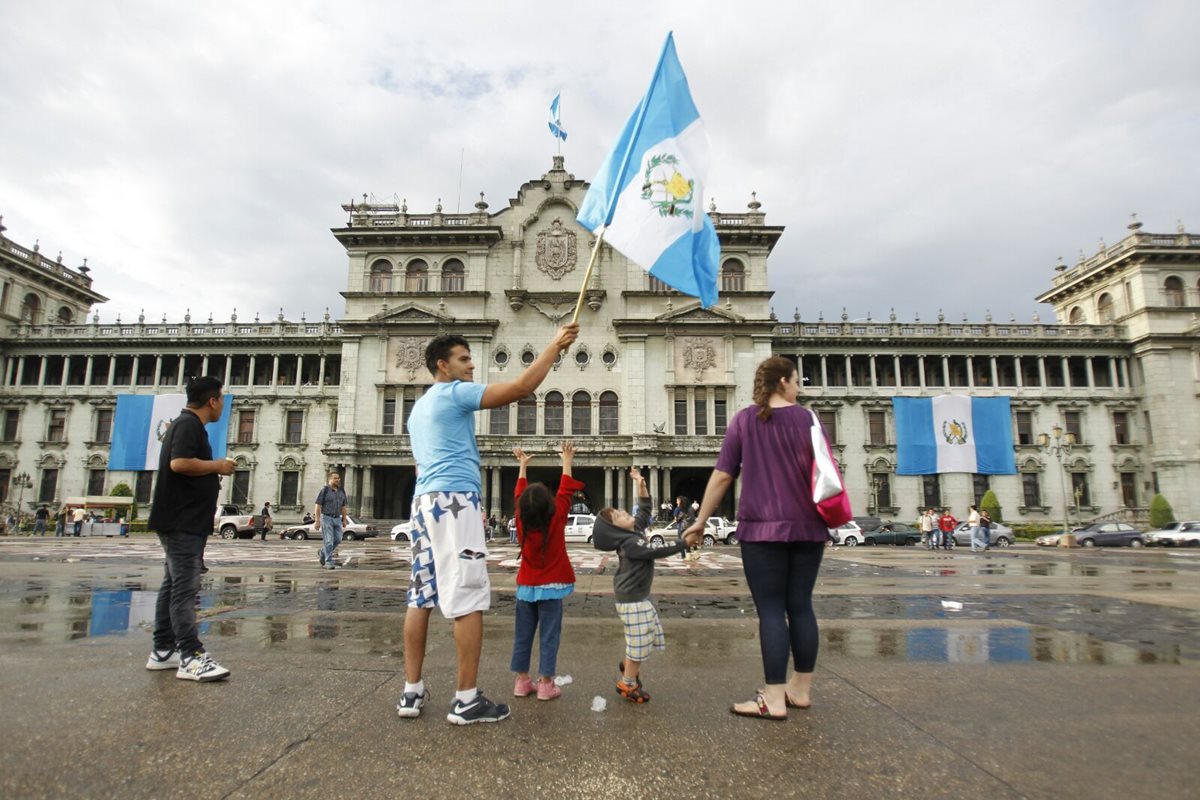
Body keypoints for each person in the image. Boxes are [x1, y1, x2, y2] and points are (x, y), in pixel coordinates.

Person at [397, 323, 578, 726]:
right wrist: (554, 346)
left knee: (420, 595)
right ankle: (465, 699)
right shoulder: (453, 392)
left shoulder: (418, 409)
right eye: (463, 359)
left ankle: (412, 691)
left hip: (424, 501)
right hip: (455, 502)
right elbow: (518, 390)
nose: (471, 365)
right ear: (442, 366)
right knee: (469, 595)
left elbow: (418, 462)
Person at [684, 355, 836, 720]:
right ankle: (800, 689)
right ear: (782, 382)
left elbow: (722, 476)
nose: (800, 388)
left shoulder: (744, 421)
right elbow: (826, 469)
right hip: (808, 526)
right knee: (800, 606)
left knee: (771, 611)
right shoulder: (810, 419)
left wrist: (700, 520)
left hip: (761, 528)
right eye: (797, 381)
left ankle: (773, 697)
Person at [145, 376, 235, 681]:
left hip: (182, 521)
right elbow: (180, 463)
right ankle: (191, 655)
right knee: (185, 590)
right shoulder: (187, 425)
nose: (222, 404)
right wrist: (217, 467)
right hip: (182, 522)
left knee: (172, 586)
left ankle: (163, 651)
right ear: (212, 401)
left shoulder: (188, 426)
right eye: (221, 398)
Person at [592, 466, 699, 704]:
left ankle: (629, 664)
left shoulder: (635, 531)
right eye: (620, 516)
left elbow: (644, 509)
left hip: (635, 597)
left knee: (643, 634)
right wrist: (684, 542)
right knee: (639, 641)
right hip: (631, 599)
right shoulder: (630, 544)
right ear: (615, 530)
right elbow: (657, 549)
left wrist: (640, 483)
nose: (624, 513)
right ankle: (627, 683)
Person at [510, 441, 580, 702]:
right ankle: (546, 684)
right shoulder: (557, 517)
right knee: (549, 635)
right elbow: (565, 491)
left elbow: (519, 496)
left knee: (523, 634)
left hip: (526, 587)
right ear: (549, 505)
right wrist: (566, 460)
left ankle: (521, 681)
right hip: (552, 587)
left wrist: (522, 467)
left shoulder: (521, 521)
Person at [313, 473, 348, 569]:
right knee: (329, 541)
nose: (338, 480)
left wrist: (344, 519)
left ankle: (323, 552)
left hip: (337, 518)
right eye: (335, 478)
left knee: (338, 539)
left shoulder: (341, 491)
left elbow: (344, 506)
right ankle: (328, 561)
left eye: (338, 478)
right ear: (330, 479)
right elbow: (318, 505)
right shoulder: (325, 490)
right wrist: (317, 520)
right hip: (327, 518)